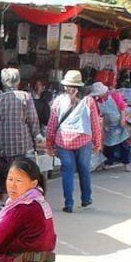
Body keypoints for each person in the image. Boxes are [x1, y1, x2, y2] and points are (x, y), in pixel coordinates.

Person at [46, 70, 102, 213]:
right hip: (83, 141)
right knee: (84, 169)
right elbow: (95, 124)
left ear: (65, 86)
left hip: (63, 142)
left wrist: (49, 144)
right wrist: (97, 142)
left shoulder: (58, 101)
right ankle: (86, 198)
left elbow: (52, 124)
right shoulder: (89, 101)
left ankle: (69, 204)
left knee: (67, 172)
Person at [0, 68, 42, 207]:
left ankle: (1, 198)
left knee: (3, 172)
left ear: (3, 81)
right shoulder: (25, 97)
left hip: (3, 143)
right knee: (21, 171)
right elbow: (33, 120)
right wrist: (36, 136)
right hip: (21, 142)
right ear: (18, 81)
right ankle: (20, 198)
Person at [90, 82, 131, 172]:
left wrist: (123, 119)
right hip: (108, 124)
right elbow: (97, 115)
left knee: (123, 144)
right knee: (108, 145)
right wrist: (101, 125)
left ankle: (126, 163)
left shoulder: (114, 96)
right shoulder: (97, 102)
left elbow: (122, 107)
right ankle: (109, 162)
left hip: (119, 122)